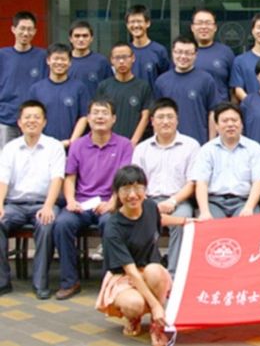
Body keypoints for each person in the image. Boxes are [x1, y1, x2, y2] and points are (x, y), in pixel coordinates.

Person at [95, 165, 190, 346]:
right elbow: (130, 272)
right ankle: (135, 317)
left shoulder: (150, 206)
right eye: (126, 189)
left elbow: (159, 219)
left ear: (145, 189)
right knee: (134, 305)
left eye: (138, 188)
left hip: (149, 270)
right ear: (116, 193)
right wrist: (156, 306)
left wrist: (187, 221)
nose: (132, 195)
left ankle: (156, 324)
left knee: (155, 270)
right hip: (124, 276)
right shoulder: (113, 227)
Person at [53, 98, 133, 300]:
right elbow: (70, 178)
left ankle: (109, 281)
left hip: (110, 203)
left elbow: (124, 180)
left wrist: (112, 202)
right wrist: (70, 200)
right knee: (62, 224)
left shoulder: (124, 145)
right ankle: (70, 281)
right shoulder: (78, 145)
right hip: (81, 203)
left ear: (113, 119)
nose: (99, 117)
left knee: (110, 224)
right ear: (88, 118)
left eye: (104, 113)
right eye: (95, 113)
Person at [0, 100, 65, 300]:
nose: (32, 121)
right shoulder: (10, 148)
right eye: (27, 117)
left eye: (37, 117)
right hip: (15, 205)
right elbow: (3, 179)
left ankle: (40, 283)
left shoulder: (54, 146)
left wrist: (48, 206)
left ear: (44, 122)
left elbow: (57, 179)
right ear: (19, 122)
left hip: (43, 203)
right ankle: (2, 281)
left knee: (46, 224)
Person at [132, 97, 200, 277]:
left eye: (170, 117)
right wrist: (149, 204)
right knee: (141, 221)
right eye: (160, 117)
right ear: (152, 121)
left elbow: (192, 182)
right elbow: (136, 183)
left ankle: (174, 275)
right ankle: (148, 271)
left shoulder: (191, 146)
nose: (165, 121)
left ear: (177, 120)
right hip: (147, 200)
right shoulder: (142, 148)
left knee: (182, 223)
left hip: (179, 200)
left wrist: (172, 201)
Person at [195, 103, 260, 220]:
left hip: (244, 201)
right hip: (214, 202)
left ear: (242, 124)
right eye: (225, 121)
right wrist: (204, 211)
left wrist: (249, 208)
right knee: (211, 224)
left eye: (234, 120)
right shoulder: (207, 149)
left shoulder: (254, 148)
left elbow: (258, 182)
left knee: (248, 222)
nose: (230, 124)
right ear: (216, 126)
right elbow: (201, 183)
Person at [155, 36, 218, 145]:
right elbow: (156, 115)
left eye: (188, 53)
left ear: (195, 55)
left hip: (199, 143)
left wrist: (211, 143)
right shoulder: (161, 81)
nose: (183, 56)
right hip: (168, 144)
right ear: (173, 53)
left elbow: (212, 112)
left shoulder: (206, 80)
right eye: (179, 52)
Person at [0, 11, 48, 149]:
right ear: (13, 29)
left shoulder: (43, 57)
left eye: (29, 29)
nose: (26, 33)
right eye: (22, 28)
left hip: (33, 121)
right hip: (5, 119)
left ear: (35, 31)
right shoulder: (2, 55)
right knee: (5, 159)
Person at [29, 43, 89, 147]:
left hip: (72, 147)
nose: (59, 62)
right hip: (43, 146)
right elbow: (32, 117)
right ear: (48, 60)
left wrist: (72, 141)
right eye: (56, 59)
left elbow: (84, 117)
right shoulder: (36, 89)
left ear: (70, 62)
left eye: (63, 59)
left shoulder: (79, 87)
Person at [96, 42, 152, 146]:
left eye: (125, 57)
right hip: (108, 144)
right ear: (111, 60)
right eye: (117, 58)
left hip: (134, 145)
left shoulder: (143, 86)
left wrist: (133, 142)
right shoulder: (104, 86)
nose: (121, 61)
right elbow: (99, 116)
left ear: (133, 58)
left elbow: (145, 117)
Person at [191, 8, 235, 103]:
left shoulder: (225, 52)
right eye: (199, 23)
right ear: (192, 28)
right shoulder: (184, 54)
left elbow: (233, 88)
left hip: (220, 109)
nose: (204, 27)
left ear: (215, 27)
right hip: (193, 108)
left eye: (208, 23)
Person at [126, 5, 170, 97]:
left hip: (153, 103)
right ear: (127, 25)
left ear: (148, 23)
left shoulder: (159, 51)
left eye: (139, 21)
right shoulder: (124, 51)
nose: (136, 25)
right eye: (132, 22)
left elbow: (166, 81)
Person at [68, 20, 113, 98]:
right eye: (77, 36)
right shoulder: (63, 62)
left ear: (91, 38)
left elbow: (110, 88)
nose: (81, 39)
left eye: (85, 36)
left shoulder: (101, 61)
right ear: (70, 39)